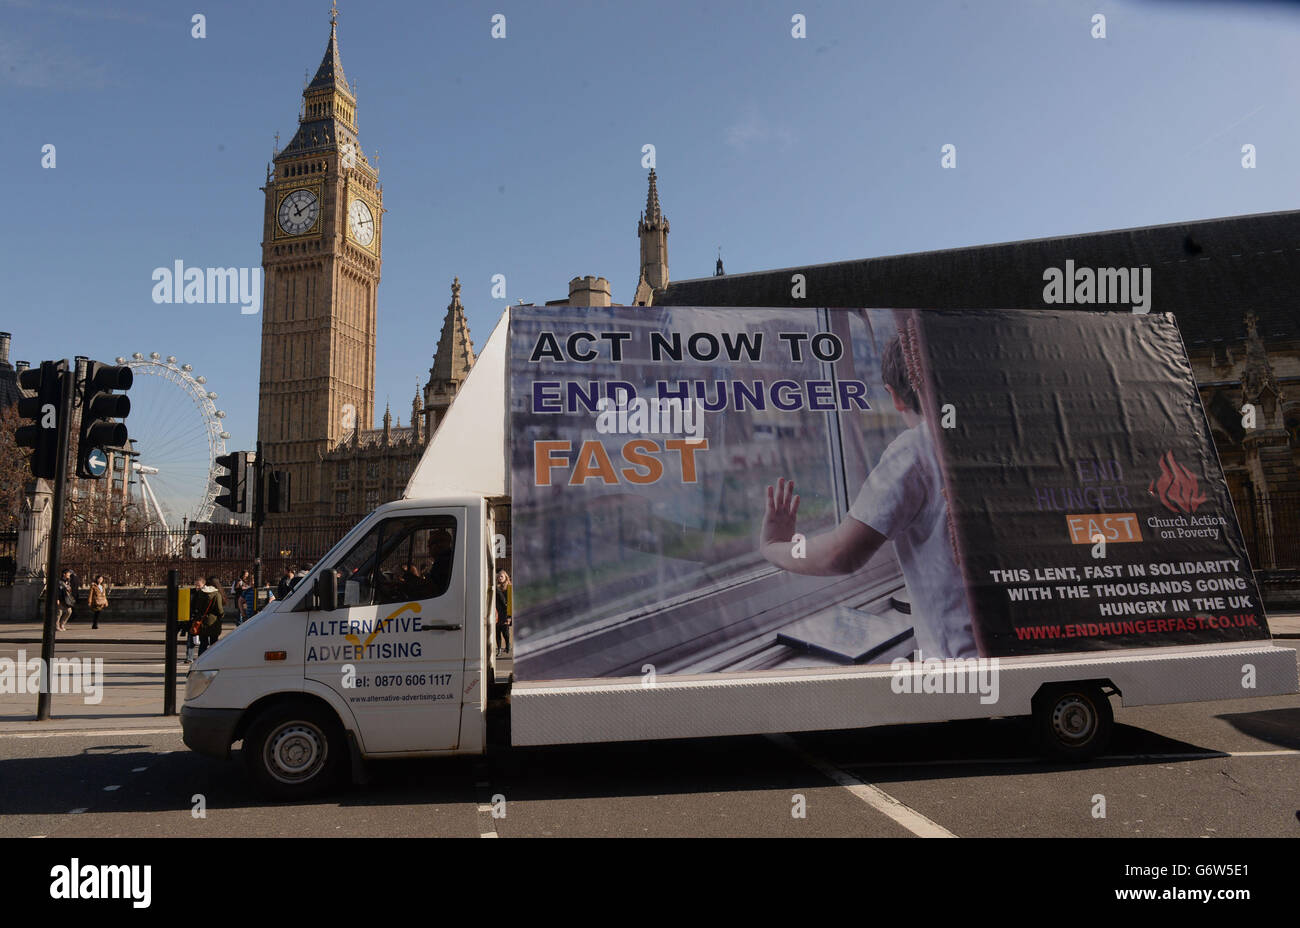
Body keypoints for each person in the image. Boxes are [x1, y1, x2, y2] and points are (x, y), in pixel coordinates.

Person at [759, 335, 977, 661]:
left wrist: (775, 547)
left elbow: (840, 554)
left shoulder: (915, 451)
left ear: (894, 397)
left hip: (961, 667)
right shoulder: (997, 433)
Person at [194, 576, 225, 657]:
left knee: (203, 644)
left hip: (202, 621)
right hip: (213, 622)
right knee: (214, 643)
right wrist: (222, 616)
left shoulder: (200, 593)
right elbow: (219, 609)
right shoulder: (216, 594)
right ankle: (213, 659)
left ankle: (200, 660)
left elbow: (195, 606)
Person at [494, 569, 512, 655]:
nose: (500, 578)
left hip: (505, 613)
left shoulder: (509, 587)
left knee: (505, 632)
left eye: (501, 576)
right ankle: (499, 649)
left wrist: (509, 616)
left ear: (505, 577)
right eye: (498, 577)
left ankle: (507, 644)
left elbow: (509, 603)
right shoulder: (496, 588)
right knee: (497, 632)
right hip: (497, 613)